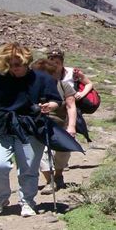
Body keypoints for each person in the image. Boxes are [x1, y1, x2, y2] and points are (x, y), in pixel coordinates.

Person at [0, 42, 62, 218]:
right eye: (11, 64)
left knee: (29, 167)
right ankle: (0, 199)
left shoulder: (42, 78)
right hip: (1, 125)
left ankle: (27, 202)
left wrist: (48, 106)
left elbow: (55, 100)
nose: (15, 68)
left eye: (18, 64)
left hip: (30, 126)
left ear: (26, 61)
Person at [44, 49, 95, 188]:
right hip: (46, 114)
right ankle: (51, 180)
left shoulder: (72, 72)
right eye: (52, 61)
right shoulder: (42, 74)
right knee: (43, 148)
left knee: (64, 144)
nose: (55, 64)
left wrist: (81, 93)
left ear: (62, 62)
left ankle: (58, 173)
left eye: (57, 62)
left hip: (67, 111)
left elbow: (89, 83)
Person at [32, 58, 78, 192]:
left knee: (63, 152)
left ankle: (58, 175)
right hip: (39, 125)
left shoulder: (63, 86)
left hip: (61, 125)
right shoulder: (32, 88)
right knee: (44, 154)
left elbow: (71, 106)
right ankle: (50, 181)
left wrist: (72, 126)